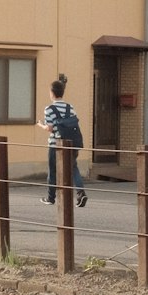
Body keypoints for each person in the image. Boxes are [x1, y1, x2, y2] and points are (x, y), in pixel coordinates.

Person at [38, 77, 87, 208]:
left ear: (52, 93)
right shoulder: (70, 107)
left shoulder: (49, 109)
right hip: (71, 143)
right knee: (73, 168)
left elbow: (50, 128)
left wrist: (41, 125)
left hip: (56, 144)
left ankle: (50, 197)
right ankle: (81, 193)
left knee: (53, 170)